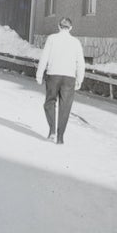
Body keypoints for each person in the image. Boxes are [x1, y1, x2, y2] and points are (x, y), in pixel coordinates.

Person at [35, 17, 85, 145]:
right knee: (65, 107)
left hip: (53, 75)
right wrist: (80, 79)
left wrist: (39, 74)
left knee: (49, 103)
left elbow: (44, 57)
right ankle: (60, 137)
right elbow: (81, 63)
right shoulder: (76, 42)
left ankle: (52, 131)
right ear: (71, 28)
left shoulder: (52, 39)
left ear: (59, 26)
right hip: (69, 77)